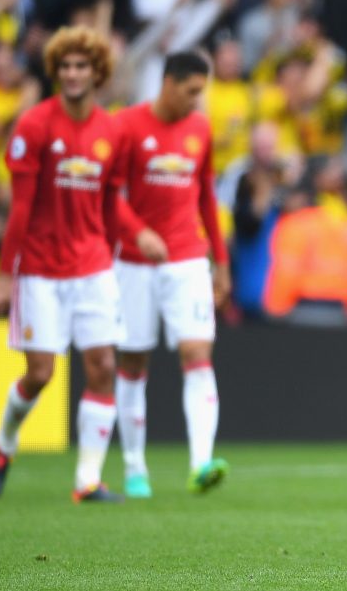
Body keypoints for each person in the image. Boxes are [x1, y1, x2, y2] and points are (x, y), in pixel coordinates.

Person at [0, 26, 127, 503]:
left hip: (93, 266)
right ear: (55, 72)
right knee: (40, 373)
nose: (72, 74)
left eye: (81, 66)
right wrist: (5, 275)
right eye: (65, 66)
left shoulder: (110, 130)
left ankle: (87, 481)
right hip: (40, 269)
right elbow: (19, 208)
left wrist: (138, 233)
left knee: (103, 364)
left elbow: (111, 205)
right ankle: (3, 444)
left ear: (96, 72)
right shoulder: (34, 125)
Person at [112, 51, 231, 498]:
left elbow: (206, 197)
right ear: (167, 83)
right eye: (191, 91)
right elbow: (110, 196)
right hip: (135, 263)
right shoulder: (127, 126)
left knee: (198, 353)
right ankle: (134, 468)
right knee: (133, 362)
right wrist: (136, 232)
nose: (197, 101)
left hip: (186, 259)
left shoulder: (200, 129)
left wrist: (220, 262)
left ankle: (201, 463)